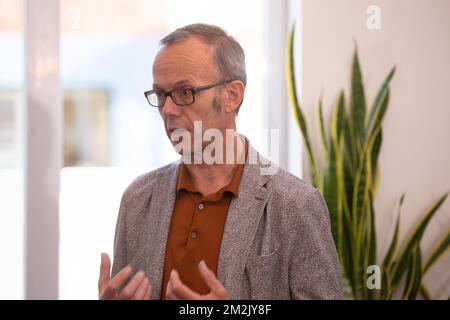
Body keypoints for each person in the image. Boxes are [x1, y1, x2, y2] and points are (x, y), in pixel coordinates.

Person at [97, 23, 343, 300]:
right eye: (161, 94)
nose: (167, 109)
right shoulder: (138, 199)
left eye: (184, 92)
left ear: (232, 96)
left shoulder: (296, 204)